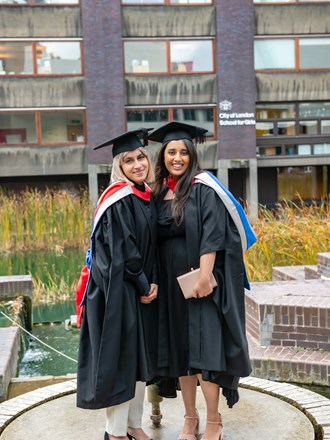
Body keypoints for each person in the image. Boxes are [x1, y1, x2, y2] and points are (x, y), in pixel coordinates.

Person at [149, 121, 257, 440]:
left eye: (183, 152)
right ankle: (189, 418)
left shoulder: (203, 187)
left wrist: (206, 276)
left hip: (200, 283)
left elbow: (213, 232)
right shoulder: (157, 192)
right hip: (171, 286)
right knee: (182, 353)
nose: (178, 157)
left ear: (192, 155)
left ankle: (213, 421)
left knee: (205, 353)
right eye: (171, 152)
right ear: (163, 156)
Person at [76, 128, 158, 440]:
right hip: (115, 293)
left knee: (138, 361)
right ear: (118, 167)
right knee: (122, 361)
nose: (138, 164)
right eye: (129, 160)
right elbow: (123, 250)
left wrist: (153, 284)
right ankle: (115, 432)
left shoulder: (145, 195)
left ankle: (134, 425)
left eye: (141, 157)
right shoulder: (118, 199)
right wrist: (143, 285)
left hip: (136, 291)